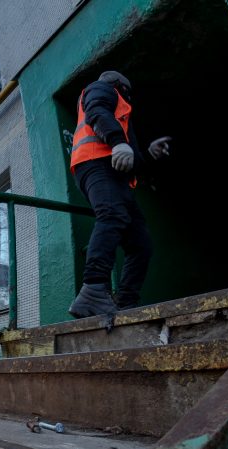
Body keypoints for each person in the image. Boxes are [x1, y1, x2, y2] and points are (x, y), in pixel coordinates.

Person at [68, 70, 172, 318]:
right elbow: (96, 112)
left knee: (140, 243)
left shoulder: (121, 115)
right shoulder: (102, 89)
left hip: (113, 173)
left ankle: (125, 301)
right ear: (120, 86)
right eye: (128, 92)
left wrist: (147, 154)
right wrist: (117, 141)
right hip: (97, 163)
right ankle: (93, 290)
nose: (129, 98)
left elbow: (129, 159)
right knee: (111, 215)